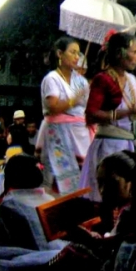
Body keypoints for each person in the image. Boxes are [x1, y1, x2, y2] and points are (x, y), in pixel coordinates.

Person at [80, 32, 136, 202]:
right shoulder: (103, 79)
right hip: (110, 146)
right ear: (120, 53)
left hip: (131, 144)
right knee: (109, 194)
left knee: (129, 194)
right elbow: (91, 114)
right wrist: (123, 113)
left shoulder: (132, 80)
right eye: (134, 52)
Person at [34, 37, 92, 195]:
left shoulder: (81, 81)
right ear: (60, 53)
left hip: (80, 133)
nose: (76, 57)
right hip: (58, 132)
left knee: (82, 175)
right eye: (72, 52)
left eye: (78, 54)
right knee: (54, 178)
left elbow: (87, 106)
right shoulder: (51, 78)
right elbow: (53, 107)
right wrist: (74, 99)